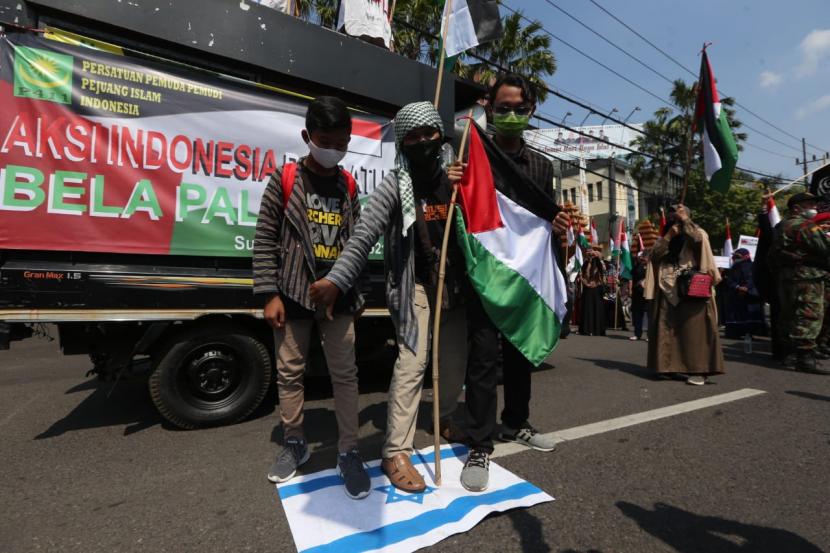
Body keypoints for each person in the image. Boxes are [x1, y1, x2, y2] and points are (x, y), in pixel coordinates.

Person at [308, 101, 469, 493]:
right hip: (414, 284)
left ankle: (444, 415)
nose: (421, 142)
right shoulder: (394, 185)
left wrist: (463, 188)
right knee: (413, 363)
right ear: (402, 142)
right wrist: (336, 280)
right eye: (411, 136)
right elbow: (362, 237)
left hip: (458, 285)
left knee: (453, 360)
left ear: (440, 136)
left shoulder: (458, 177)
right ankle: (396, 450)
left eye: (428, 134)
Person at [253, 97, 371, 498]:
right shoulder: (284, 179)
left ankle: (350, 451)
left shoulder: (349, 184)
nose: (335, 148)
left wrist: (344, 286)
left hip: (338, 299)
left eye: (343, 141)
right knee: (289, 373)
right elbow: (265, 239)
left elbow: (359, 241)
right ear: (307, 137)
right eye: (326, 140)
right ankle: (295, 444)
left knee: (346, 375)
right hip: (291, 295)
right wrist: (269, 293)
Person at [459, 73, 570, 479]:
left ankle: (517, 421)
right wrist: (451, 182)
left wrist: (559, 230)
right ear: (488, 106)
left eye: (518, 109)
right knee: (484, 359)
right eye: (502, 108)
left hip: (525, 275)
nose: (509, 115)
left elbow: (545, 217)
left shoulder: (541, 166)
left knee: (521, 354)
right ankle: (479, 444)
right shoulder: (471, 154)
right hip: (486, 272)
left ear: (532, 111)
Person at [645, 205, 725, 385]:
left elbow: (698, 241)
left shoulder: (697, 231)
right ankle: (668, 367)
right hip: (667, 286)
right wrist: (668, 236)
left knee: (694, 330)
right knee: (668, 330)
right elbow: (655, 256)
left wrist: (685, 222)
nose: (674, 215)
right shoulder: (667, 234)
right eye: (673, 213)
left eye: (678, 212)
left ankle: (698, 370)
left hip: (692, 286)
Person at [768, 192, 830, 374]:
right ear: (796, 208)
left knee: (789, 314)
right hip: (808, 276)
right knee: (809, 314)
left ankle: (788, 354)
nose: (814, 208)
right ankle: (805, 359)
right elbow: (825, 248)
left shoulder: (781, 226)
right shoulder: (805, 226)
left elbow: (772, 255)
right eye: (810, 204)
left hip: (787, 276)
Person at [724, 248, 766, 342]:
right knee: (736, 314)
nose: (735, 258)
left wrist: (747, 288)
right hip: (736, 295)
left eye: (738, 256)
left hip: (750, 295)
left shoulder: (754, 267)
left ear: (746, 256)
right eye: (735, 256)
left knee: (750, 314)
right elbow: (730, 281)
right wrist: (738, 287)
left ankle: (750, 333)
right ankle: (735, 333)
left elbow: (755, 279)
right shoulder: (734, 268)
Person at [579, 252, 606, 336]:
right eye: (589, 255)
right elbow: (581, 276)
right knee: (587, 310)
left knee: (596, 310)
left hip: (596, 290)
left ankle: (596, 330)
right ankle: (587, 329)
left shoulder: (599, 265)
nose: (591, 257)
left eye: (592, 255)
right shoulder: (585, 264)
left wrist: (596, 283)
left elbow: (603, 276)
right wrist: (586, 283)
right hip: (587, 289)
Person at [629, 253, 650, 341]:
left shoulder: (651, 266)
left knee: (649, 315)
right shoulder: (637, 266)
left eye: (644, 257)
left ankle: (649, 335)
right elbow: (632, 273)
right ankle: (637, 334)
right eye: (640, 257)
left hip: (648, 294)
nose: (642, 259)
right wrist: (637, 263)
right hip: (637, 294)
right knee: (637, 315)